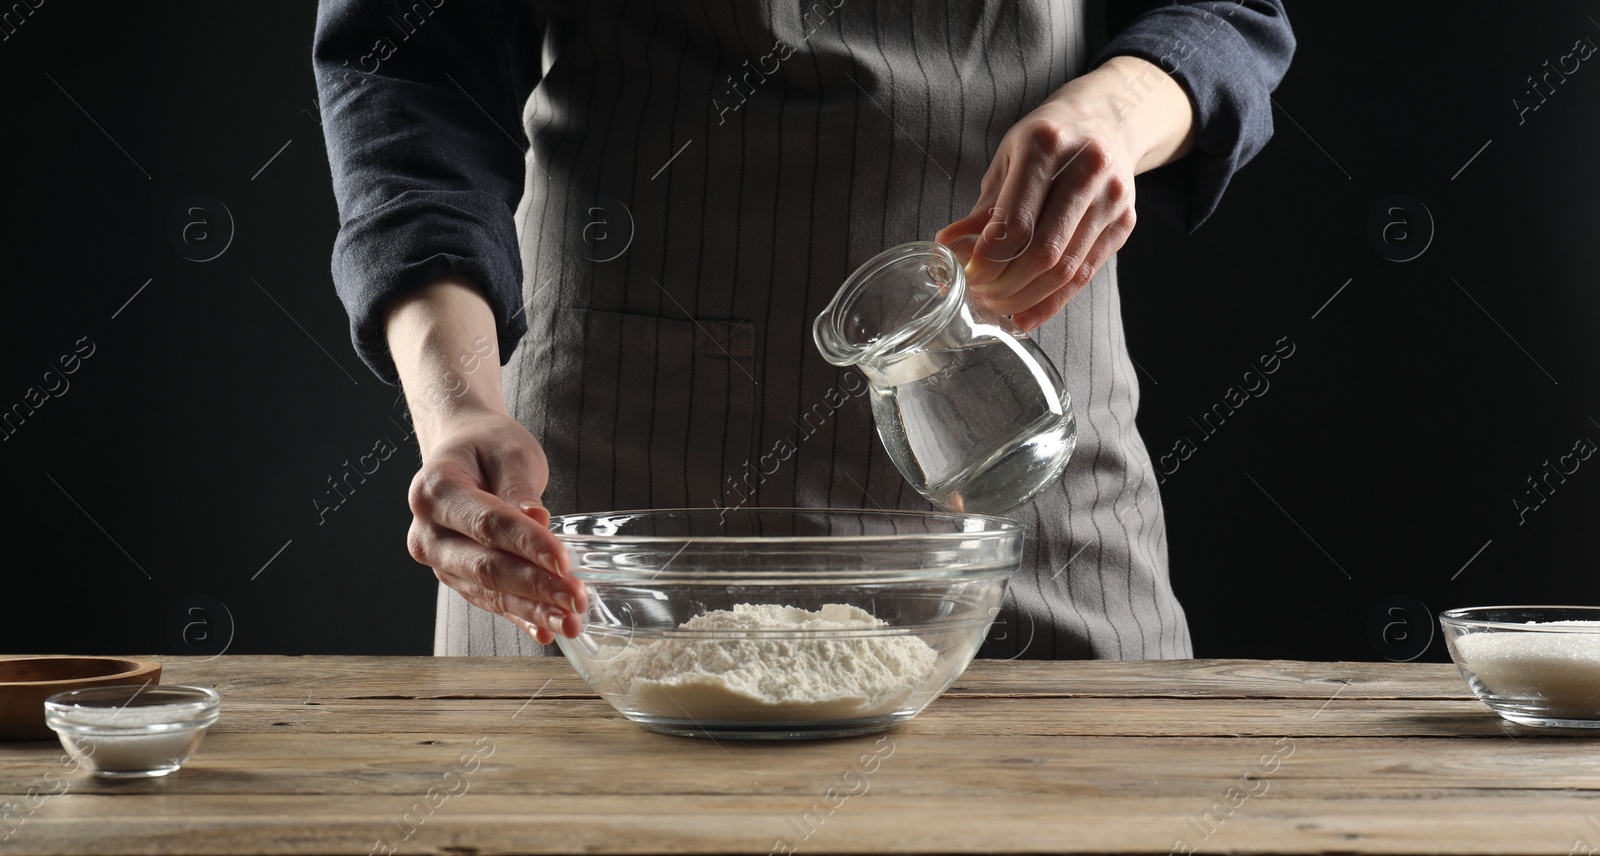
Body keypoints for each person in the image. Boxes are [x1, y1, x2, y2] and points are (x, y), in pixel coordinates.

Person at [314, 0, 1294, 658]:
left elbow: (1229, 14)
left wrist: (1115, 113)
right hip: (608, 527)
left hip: (1027, 495)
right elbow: (412, 70)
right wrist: (458, 409)